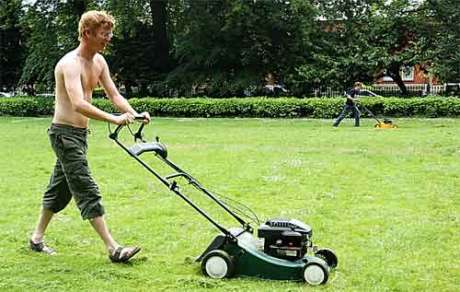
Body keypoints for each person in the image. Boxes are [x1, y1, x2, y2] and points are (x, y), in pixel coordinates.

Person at [29, 10, 151, 263]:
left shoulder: (99, 62)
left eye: (109, 34)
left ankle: (36, 238)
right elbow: (78, 104)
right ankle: (113, 248)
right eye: (104, 34)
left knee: (59, 189)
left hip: (80, 135)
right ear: (87, 34)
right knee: (85, 186)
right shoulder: (69, 64)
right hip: (64, 135)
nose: (109, 39)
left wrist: (134, 113)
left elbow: (114, 96)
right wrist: (113, 119)